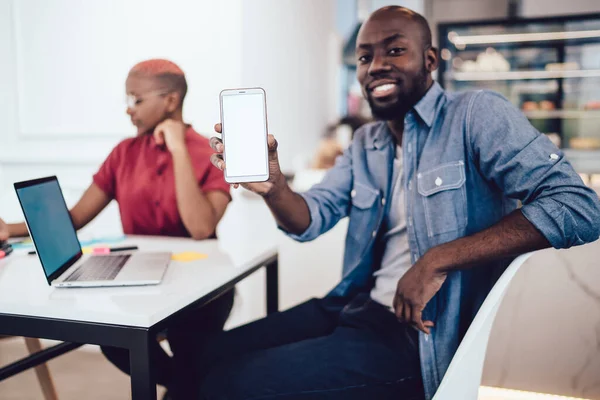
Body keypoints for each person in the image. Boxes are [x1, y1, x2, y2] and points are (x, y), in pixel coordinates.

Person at [195, 6, 600, 400]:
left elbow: (578, 206)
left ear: (428, 60)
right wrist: (275, 186)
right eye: (365, 57)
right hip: (353, 307)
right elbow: (309, 221)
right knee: (203, 358)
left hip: (413, 337)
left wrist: (436, 259)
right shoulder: (364, 144)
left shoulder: (476, 115)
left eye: (394, 50)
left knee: (225, 385)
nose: (376, 66)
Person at [0, 59, 234, 399]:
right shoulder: (123, 153)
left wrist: (178, 148)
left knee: (192, 347)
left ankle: (189, 384)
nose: (129, 110)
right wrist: (10, 228)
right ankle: (191, 384)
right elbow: (76, 217)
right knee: (114, 335)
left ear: (170, 101)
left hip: (199, 291)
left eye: (136, 100)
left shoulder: (208, 153)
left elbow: (200, 227)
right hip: (143, 284)